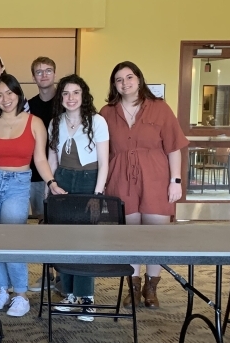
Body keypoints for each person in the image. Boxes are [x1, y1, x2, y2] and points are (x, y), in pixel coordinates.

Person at [99, 61, 188, 309]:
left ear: (139, 79)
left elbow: (174, 147)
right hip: (120, 178)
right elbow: (101, 152)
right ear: (114, 84)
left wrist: (175, 181)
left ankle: (151, 288)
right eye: (119, 79)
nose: (125, 83)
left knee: (155, 236)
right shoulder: (106, 112)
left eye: (129, 77)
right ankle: (133, 287)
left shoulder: (160, 108)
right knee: (129, 237)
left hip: (156, 177)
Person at [0, 73, 53, 318]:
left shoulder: (35, 122)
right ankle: (2, 289)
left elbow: (40, 159)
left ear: (19, 94)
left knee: (12, 238)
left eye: (9, 93)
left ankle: (20, 294)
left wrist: (51, 182)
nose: (5, 99)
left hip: (18, 183)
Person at [46, 74, 110, 322]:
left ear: (83, 96)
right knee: (64, 240)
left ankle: (86, 299)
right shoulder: (55, 122)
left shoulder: (97, 121)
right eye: (65, 93)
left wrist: (98, 193)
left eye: (75, 93)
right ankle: (69, 293)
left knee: (85, 241)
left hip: (88, 180)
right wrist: (49, 185)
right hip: (63, 180)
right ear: (60, 97)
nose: (70, 98)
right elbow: (53, 158)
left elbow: (104, 162)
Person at [28, 57, 58, 220]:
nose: (44, 75)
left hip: (61, 171)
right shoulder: (28, 107)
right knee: (40, 217)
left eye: (48, 71)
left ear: (54, 74)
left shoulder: (66, 103)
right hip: (35, 174)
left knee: (59, 218)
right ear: (33, 78)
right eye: (39, 72)